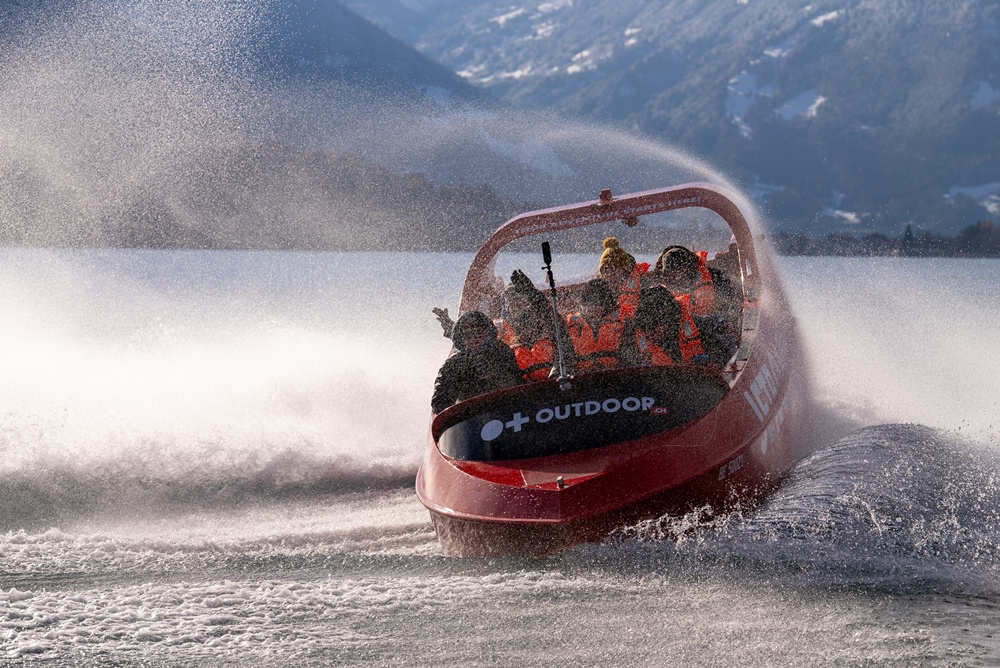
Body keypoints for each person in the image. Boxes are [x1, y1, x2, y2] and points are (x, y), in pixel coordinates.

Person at [431, 311, 525, 413]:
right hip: (473, 417)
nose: (474, 339)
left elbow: (518, 384)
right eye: (468, 336)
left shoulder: (502, 351)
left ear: (487, 333)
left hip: (510, 411)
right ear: (461, 339)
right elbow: (440, 403)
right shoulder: (454, 364)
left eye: (478, 333)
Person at [652, 244, 742, 328]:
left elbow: (731, 309)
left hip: (712, 329)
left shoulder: (714, 277)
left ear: (690, 267)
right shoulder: (657, 292)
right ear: (665, 273)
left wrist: (714, 321)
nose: (677, 276)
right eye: (672, 272)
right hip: (678, 333)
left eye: (681, 270)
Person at [565, 278, 633, 372]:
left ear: (607, 306)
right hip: (582, 377)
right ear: (582, 306)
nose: (591, 309)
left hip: (616, 375)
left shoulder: (623, 323)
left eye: (596, 305)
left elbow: (631, 356)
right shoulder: (570, 326)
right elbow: (567, 358)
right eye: (587, 305)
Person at [597, 237, 649, 317]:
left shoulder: (642, 283)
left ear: (624, 270)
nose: (610, 273)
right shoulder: (597, 288)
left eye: (614, 268)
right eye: (606, 269)